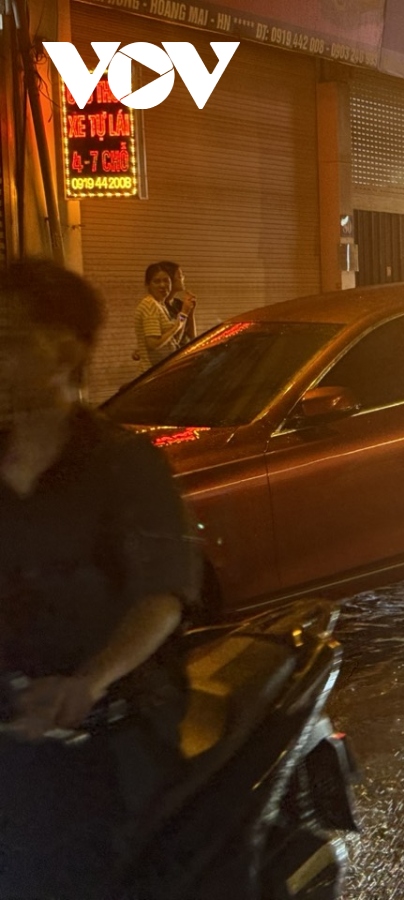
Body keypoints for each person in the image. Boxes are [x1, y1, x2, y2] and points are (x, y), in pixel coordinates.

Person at [0, 259, 200, 897]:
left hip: (110, 737)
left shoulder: (122, 464)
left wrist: (89, 681)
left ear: (67, 351)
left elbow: (163, 594)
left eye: (9, 340)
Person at [133, 261, 195, 372]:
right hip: (153, 373)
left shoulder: (161, 305)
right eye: (157, 281)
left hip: (166, 370)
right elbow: (153, 344)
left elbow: (176, 340)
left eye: (166, 280)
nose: (162, 285)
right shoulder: (150, 305)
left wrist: (185, 314)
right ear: (148, 285)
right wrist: (177, 324)